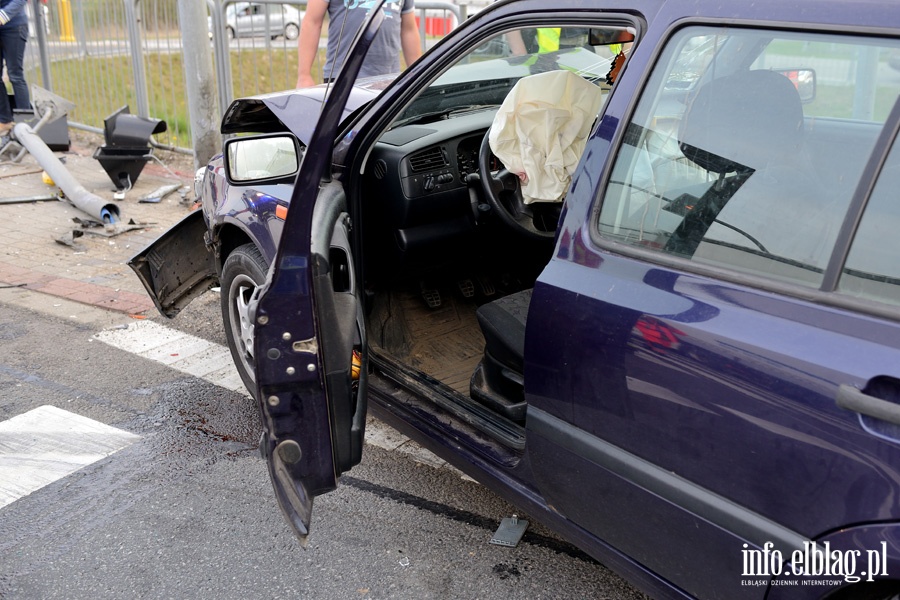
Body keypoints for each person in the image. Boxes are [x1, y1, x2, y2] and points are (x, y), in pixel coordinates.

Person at [296, 0, 421, 88]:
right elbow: (312, 22)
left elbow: (408, 30)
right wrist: (304, 75)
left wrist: (419, 76)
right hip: (342, 79)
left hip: (389, 80)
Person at [0, 0, 30, 137]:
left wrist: (3, 15)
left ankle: (26, 123)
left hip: (14, 26)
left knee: (15, 75)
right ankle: (4, 120)